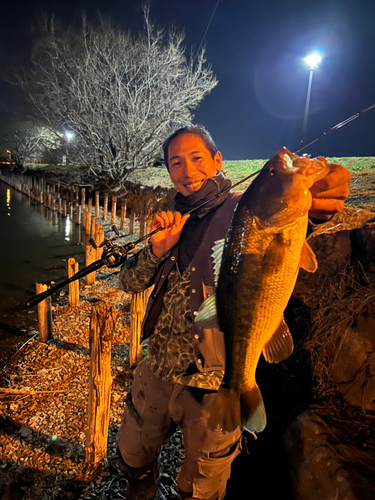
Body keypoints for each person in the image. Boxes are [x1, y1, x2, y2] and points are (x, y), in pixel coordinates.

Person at [116, 125, 351, 500]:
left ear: (218, 161)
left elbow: (289, 222)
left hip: (215, 382)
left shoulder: (247, 208)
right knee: (133, 458)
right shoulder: (169, 215)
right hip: (156, 367)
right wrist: (157, 250)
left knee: (201, 488)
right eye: (176, 163)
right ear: (168, 170)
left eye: (197, 159)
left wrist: (318, 207)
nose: (188, 171)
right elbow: (127, 283)